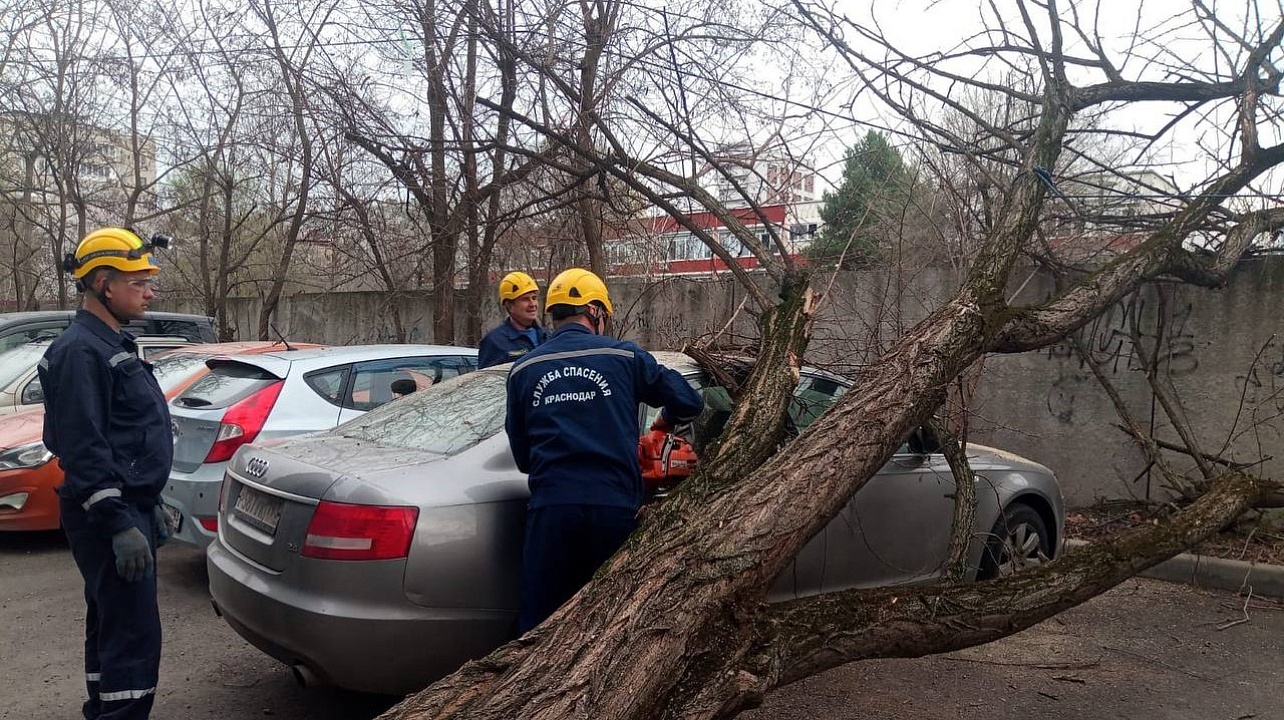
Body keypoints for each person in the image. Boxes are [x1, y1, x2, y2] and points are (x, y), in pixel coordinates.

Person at [505, 267, 703, 633]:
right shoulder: (625, 358)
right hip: (613, 508)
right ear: (595, 311)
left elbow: (522, 457)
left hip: (552, 510)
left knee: (538, 626)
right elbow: (689, 401)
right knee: (611, 624)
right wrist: (662, 424)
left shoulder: (523, 368)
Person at [39, 227, 174, 720]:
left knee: (111, 620)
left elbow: (122, 434)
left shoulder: (108, 342)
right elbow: (84, 446)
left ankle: (101, 709)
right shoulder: (81, 351)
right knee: (132, 633)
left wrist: (148, 501)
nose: (150, 290)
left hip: (126, 506)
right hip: (107, 515)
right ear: (103, 283)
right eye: (138, 280)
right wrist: (118, 522)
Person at [478, 271, 547, 368]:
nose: (532, 304)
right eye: (525, 299)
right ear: (510, 306)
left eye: (534, 298)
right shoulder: (494, 341)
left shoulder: (548, 337)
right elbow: (486, 380)